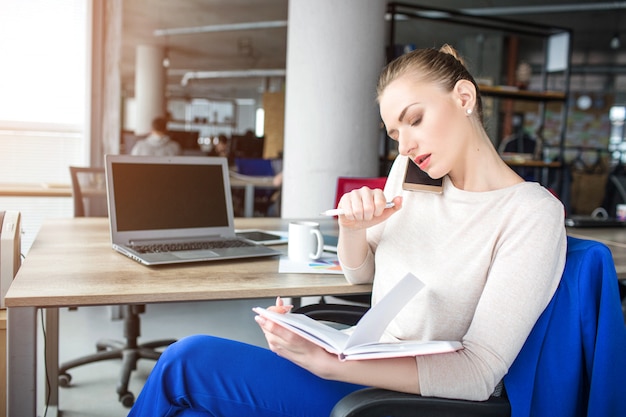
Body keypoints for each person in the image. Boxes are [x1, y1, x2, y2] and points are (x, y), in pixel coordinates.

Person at [127, 45, 566, 416]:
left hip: (407, 401)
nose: (405, 144)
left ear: (465, 97)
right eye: (395, 132)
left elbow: (477, 373)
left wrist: (329, 363)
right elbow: (363, 277)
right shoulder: (410, 174)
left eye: (414, 119)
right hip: (365, 365)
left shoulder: (529, 213)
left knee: (186, 360)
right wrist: (354, 230)